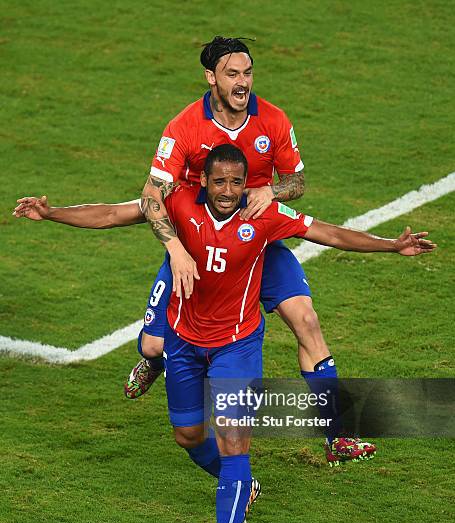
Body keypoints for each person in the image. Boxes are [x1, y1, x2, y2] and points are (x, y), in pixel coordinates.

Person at [13, 144, 437, 523]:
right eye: (220, 182)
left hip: (236, 347)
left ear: (246, 184)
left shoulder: (263, 218)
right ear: (203, 182)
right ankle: (242, 484)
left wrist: (392, 246)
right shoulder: (177, 204)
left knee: (234, 442)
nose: (228, 191)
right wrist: (54, 213)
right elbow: (113, 214)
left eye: (237, 182)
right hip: (183, 343)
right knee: (189, 436)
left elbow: (327, 233)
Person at [15, 35, 376, 465]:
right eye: (232, 74)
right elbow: (143, 202)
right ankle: (156, 360)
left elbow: (297, 183)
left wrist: (271, 189)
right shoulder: (185, 127)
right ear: (211, 77)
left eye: (248, 73)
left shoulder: (274, 120)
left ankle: (337, 435)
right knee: (152, 346)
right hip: (196, 247)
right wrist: (174, 249)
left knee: (307, 321)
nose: (243, 83)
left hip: (257, 242)